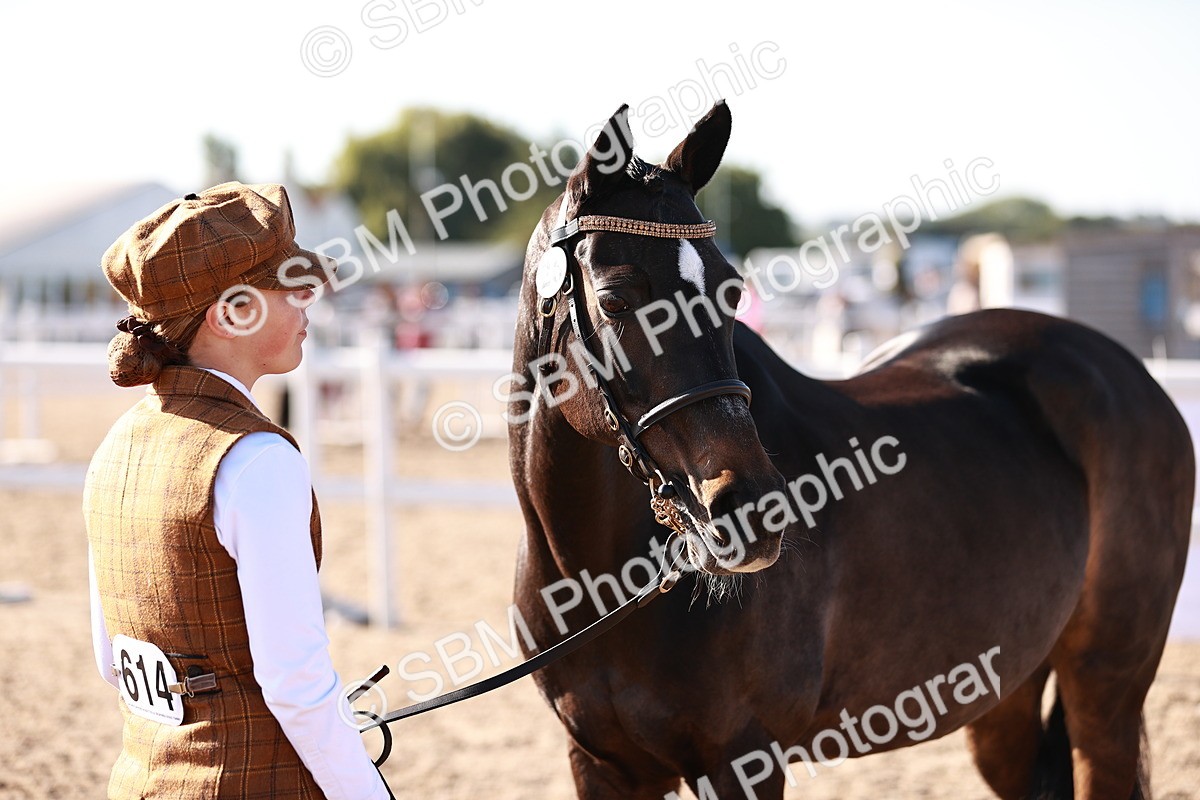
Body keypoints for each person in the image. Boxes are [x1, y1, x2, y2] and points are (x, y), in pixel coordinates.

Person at [84, 182, 390, 799]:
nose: (310, 302)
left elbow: (113, 658)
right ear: (230, 313)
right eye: (293, 289)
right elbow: (295, 686)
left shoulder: (116, 445)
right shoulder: (257, 459)